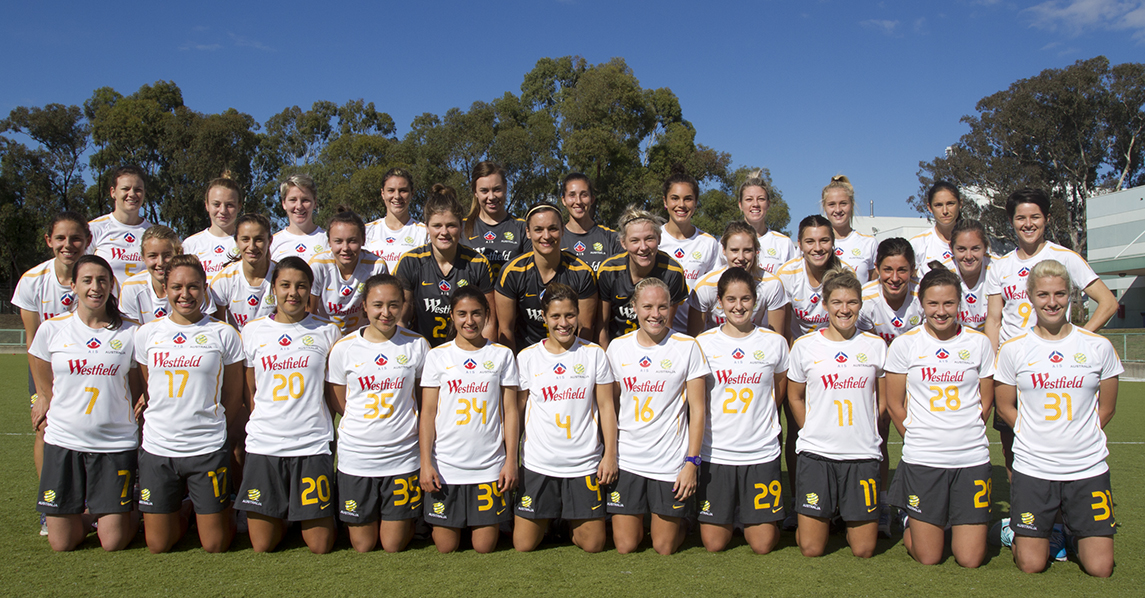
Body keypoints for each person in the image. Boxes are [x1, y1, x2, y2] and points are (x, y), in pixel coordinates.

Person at [994, 259, 1120, 577]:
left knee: (1101, 568)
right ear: (1031, 297)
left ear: (1070, 295)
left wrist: (1082, 434)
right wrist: (1029, 433)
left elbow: (1107, 407)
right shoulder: (1014, 349)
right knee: (1032, 564)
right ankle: (1011, 530)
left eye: (1060, 294)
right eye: (1043, 295)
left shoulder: (1098, 347)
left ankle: (1074, 530)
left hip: (1087, 466)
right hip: (1034, 467)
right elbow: (1006, 406)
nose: (1052, 302)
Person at [985, 188, 1117, 478]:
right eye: (1021, 218)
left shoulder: (1065, 257)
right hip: (1015, 369)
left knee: (1058, 441)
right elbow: (993, 320)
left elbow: (1108, 302)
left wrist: (1078, 339)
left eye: (1035, 217)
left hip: (1055, 369)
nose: (1028, 224)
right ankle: (1023, 515)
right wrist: (992, 368)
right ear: (1011, 220)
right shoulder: (1000, 266)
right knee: (1012, 448)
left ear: (1046, 219)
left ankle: (1060, 514)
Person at [885, 263, 995, 567]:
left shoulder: (979, 343)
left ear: (959, 303)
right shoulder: (905, 344)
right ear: (921, 304)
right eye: (933, 303)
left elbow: (986, 402)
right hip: (923, 460)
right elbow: (895, 404)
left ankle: (946, 519)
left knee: (970, 559)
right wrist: (920, 437)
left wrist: (965, 433)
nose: (941, 311)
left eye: (949, 303)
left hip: (971, 458)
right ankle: (911, 519)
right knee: (929, 557)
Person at [30, 255, 142, 551]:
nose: (96, 287)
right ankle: (91, 512)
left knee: (113, 542)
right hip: (64, 441)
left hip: (114, 444)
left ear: (111, 285)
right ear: (73, 285)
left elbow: (135, 385)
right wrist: (43, 396)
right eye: (88, 280)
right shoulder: (53, 329)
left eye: (103, 280)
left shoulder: (130, 332)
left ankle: (130, 510)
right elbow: (38, 360)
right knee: (62, 544)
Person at [133, 254, 244, 553]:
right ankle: (186, 508)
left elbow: (233, 396)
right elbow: (147, 387)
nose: (185, 294)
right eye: (177, 287)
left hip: (206, 448)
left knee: (216, 545)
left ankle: (215, 511)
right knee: (158, 544)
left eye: (193, 287)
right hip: (158, 448)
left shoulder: (223, 333)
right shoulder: (147, 334)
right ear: (165, 288)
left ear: (205, 288)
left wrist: (214, 426)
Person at [234, 257, 341, 554]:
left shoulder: (328, 332)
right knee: (263, 545)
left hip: (310, 444)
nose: (293, 292)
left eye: (301, 286)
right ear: (274, 289)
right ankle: (286, 511)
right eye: (285, 285)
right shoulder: (253, 331)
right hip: (265, 444)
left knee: (320, 546)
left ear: (310, 291)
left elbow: (332, 392)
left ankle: (298, 513)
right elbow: (249, 388)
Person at [787, 267, 886, 558]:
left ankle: (845, 512)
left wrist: (869, 428)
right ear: (825, 304)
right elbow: (794, 396)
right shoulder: (805, 346)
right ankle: (819, 518)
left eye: (852, 302)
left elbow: (882, 399)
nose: (845, 309)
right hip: (818, 455)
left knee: (864, 549)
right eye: (837, 303)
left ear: (860, 304)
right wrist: (811, 430)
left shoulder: (876, 346)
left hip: (861, 454)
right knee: (811, 548)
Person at [605, 278, 708, 555]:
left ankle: (680, 520)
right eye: (648, 306)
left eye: (662, 307)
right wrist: (610, 455)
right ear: (634, 308)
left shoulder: (687, 346)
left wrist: (691, 462)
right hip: (628, 459)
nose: (655, 314)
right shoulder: (617, 348)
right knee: (626, 545)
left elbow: (698, 410)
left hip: (669, 461)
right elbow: (609, 408)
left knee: (664, 547)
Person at [512, 283, 618, 553]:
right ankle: (552, 517)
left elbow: (606, 407)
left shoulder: (594, 354)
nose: (563, 323)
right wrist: (511, 457)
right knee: (523, 545)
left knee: (593, 544)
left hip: (582, 464)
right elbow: (518, 410)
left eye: (570, 315)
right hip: (539, 463)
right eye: (556, 316)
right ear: (544, 317)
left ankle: (562, 521)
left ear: (579, 315)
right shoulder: (527, 358)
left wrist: (610, 455)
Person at [327, 274, 429, 553]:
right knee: (363, 544)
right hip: (357, 455)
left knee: (393, 544)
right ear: (364, 306)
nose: (386, 313)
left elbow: (423, 398)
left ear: (403, 305)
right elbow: (339, 399)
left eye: (394, 305)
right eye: (378, 305)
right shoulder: (344, 348)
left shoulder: (417, 344)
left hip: (402, 455)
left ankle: (410, 519)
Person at [695, 267, 790, 553]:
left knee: (762, 545)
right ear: (720, 302)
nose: (739, 306)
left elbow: (780, 388)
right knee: (714, 544)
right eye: (731, 299)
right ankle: (733, 513)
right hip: (717, 452)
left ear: (756, 300)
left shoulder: (775, 343)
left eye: (746, 299)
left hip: (759, 452)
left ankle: (747, 515)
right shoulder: (703, 344)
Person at [419, 287, 520, 553]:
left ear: (487, 315)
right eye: (462, 314)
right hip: (446, 465)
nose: (469, 321)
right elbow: (428, 413)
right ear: (452, 316)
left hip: (487, 466)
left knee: (484, 546)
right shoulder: (437, 356)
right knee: (445, 547)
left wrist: (510, 462)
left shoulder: (501, 355)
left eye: (476, 313)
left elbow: (510, 412)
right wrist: (426, 463)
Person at [12, 212, 91, 534]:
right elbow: (33, 344)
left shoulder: (96, 277)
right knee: (45, 429)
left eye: (75, 238)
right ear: (49, 241)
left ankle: (86, 501)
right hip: (47, 369)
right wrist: (42, 394)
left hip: (86, 368)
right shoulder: (32, 280)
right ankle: (50, 505)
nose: (68, 245)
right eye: (61, 238)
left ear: (87, 241)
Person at [394, 184, 496, 347]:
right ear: (426, 227)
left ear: (461, 227)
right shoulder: (411, 262)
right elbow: (400, 318)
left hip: (465, 352)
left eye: (451, 225)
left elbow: (489, 321)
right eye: (437, 226)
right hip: (421, 352)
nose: (444, 232)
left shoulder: (477, 263)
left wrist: (484, 358)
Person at [495, 203, 597, 352]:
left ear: (562, 230)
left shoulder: (582, 272)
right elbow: (506, 330)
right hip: (527, 359)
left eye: (553, 228)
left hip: (570, 357)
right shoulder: (512, 272)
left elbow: (585, 329)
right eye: (538, 229)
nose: (546, 236)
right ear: (528, 232)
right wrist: (514, 367)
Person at [596, 206, 688, 348]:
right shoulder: (609, 271)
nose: (643, 247)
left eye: (649, 238)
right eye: (635, 241)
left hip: (655, 346)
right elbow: (602, 328)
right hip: (617, 349)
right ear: (623, 243)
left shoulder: (673, 272)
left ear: (659, 238)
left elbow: (665, 326)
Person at [688, 221, 789, 338]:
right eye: (734, 250)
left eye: (747, 250)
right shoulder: (705, 286)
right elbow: (695, 339)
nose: (741, 258)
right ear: (724, 250)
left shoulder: (772, 284)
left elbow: (777, 339)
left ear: (756, 251)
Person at [657, 167, 722, 333]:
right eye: (674, 198)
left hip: (698, 333)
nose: (681, 205)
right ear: (665, 201)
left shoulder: (709, 243)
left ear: (696, 202)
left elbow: (715, 291)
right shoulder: (653, 240)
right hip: (659, 332)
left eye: (688, 199)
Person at [308, 207, 389, 334]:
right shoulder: (317, 265)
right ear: (329, 241)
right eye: (338, 241)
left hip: (363, 338)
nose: (345, 248)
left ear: (363, 239)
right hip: (324, 336)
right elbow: (309, 315)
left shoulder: (376, 266)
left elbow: (382, 312)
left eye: (352, 241)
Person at [121, 226, 214, 324]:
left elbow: (206, 328)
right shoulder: (131, 288)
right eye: (153, 256)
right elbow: (133, 333)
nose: (160, 262)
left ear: (178, 253)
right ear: (143, 257)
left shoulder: (196, 288)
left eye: (167, 255)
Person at [777, 215, 847, 341]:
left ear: (833, 241)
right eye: (810, 241)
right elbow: (785, 328)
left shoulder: (845, 274)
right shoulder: (786, 274)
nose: (818, 248)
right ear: (800, 244)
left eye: (824, 240)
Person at [209, 214, 278, 330]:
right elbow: (219, 330)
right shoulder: (223, 280)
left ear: (270, 241)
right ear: (236, 241)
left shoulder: (281, 276)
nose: (251, 247)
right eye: (245, 239)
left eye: (259, 239)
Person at [463, 161, 528, 280]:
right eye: (484, 191)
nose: (491, 197)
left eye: (497, 189)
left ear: (505, 188)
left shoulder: (522, 228)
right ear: (475, 192)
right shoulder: (461, 228)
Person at [89, 165, 153, 286]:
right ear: (113, 192)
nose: (132, 194)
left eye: (138, 189)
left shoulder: (153, 233)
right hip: (106, 304)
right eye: (126, 189)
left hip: (142, 304)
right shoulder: (94, 229)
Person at [858, 238, 923, 345]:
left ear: (912, 269)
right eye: (888, 269)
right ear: (877, 269)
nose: (895, 278)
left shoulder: (923, 294)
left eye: (902, 270)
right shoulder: (865, 297)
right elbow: (869, 345)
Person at [364, 167, 429, 272]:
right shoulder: (366, 231)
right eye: (391, 190)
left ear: (412, 193)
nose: (397, 196)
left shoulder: (424, 232)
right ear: (382, 193)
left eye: (403, 191)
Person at [736, 170, 797, 274]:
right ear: (740, 205)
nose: (755, 204)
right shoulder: (727, 242)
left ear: (768, 204)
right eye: (749, 199)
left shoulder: (784, 243)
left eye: (761, 199)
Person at [560, 173, 622, 272]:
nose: (578, 201)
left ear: (592, 199)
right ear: (563, 200)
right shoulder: (555, 239)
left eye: (584, 195)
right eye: (572, 195)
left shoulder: (612, 238)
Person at [182, 177, 242, 278]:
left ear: (239, 206)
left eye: (229, 205)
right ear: (207, 205)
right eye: (216, 204)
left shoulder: (248, 244)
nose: (223, 210)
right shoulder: (190, 245)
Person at [822, 175, 877, 283]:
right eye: (832, 204)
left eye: (843, 203)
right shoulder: (814, 245)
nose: (838, 210)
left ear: (851, 205)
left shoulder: (869, 243)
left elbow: (873, 288)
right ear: (824, 207)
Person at [269, 174, 326, 262]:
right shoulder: (272, 243)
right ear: (284, 203)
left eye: (305, 200)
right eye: (293, 200)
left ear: (314, 203)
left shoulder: (328, 240)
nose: (299, 206)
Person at [909, 181, 961, 277]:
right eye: (938, 205)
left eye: (950, 204)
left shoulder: (975, 241)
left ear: (960, 204)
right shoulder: (917, 244)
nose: (945, 211)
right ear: (930, 207)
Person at [949, 218, 991, 331]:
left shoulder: (998, 268)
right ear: (951, 249)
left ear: (985, 247)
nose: (968, 256)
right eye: (961, 249)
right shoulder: (944, 272)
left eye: (975, 249)